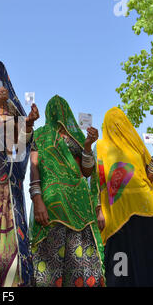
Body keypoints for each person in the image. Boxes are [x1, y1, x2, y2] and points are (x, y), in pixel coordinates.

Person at [29, 95, 105, 287]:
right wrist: (37, 199)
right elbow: (34, 168)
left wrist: (88, 145)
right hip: (53, 207)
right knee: (51, 268)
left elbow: (87, 171)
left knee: (82, 264)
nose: (59, 112)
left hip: (80, 209)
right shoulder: (41, 134)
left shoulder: (78, 137)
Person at [96, 107, 153, 287]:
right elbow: (98, 180)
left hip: (145, 211)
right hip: (117, 217)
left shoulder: (136, 146)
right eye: (113, 122)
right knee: (120, 267)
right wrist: (99, 209)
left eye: (121, 121)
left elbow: (149, 177)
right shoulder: (101, 146)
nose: (117, 125)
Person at [0, 59, 39, 287]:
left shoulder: (13, 110)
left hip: (11, 195)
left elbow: (17, 152)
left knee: (14, 262)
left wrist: (28, 125)